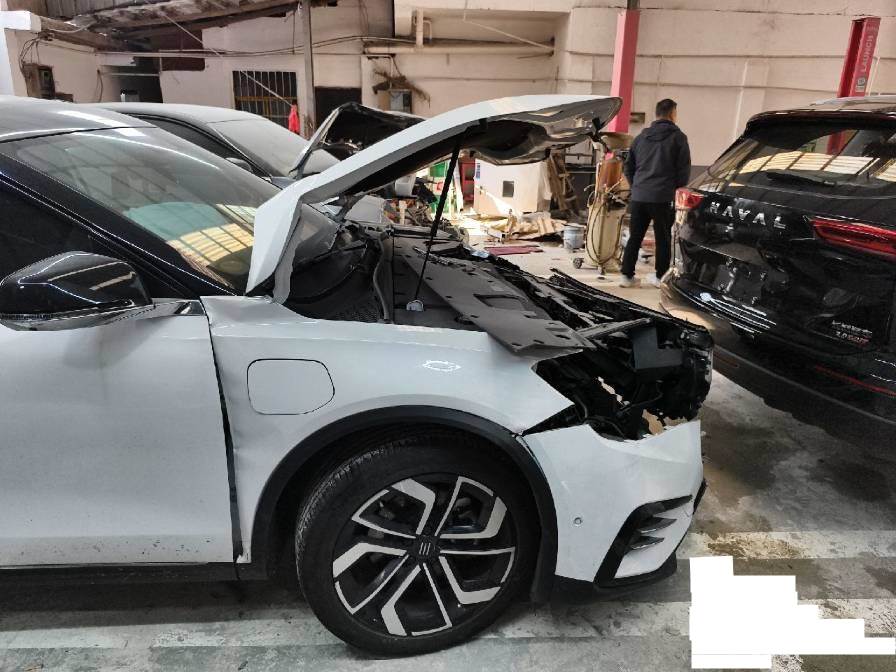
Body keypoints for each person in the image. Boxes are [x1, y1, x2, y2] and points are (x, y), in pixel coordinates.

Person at [620, 98, 691, 287]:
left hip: (639, 197)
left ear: (656, 114)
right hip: (663, 198)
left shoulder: (640, 138)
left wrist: (636, 186)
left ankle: (626, 276)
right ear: (672, 114)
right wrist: (674, 192)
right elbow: (683, 172)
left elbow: (628, 167)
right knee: (663, 239)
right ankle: (660, 277)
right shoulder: (679, 138)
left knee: (635, 237)